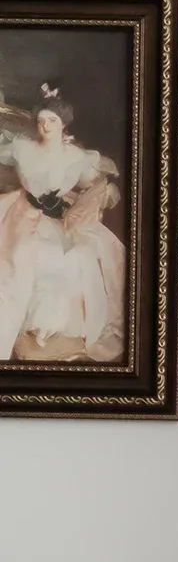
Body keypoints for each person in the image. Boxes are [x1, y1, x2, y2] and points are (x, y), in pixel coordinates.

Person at [0, 82, 125, 362]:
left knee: (78, 257)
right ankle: (28, 327)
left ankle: (55, 327)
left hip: (59, 217)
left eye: (52, 121)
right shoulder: (21, 148)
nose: (45, 126)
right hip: (21, 212)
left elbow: (96, 183)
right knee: (24, 257)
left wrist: (94, 199)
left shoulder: (78, 157)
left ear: (63, 125)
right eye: (42, 120)